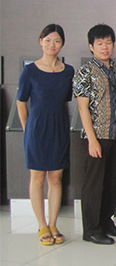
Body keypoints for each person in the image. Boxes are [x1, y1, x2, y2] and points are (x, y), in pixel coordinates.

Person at [17, 24, 75, 245]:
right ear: (40, 41)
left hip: (59, 126)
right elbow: (21, 103)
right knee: (38, 177)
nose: (52, 44)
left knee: (56, 177)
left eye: (57, 40)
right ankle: (41, 225)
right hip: (36, 129)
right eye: (48, 40)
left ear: (62, 44)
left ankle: (53, 223)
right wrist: (27, 129)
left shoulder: (68, 71)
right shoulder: (29, 71)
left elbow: (66, 100)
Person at [73, 24, 116, 245]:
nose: (105, 47)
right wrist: (92, 139)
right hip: (96, 136)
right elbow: (82, 108)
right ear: (91, 46)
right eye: (100, 43)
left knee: (111, 182)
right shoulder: (85, 72)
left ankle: (107, 222)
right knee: (94, 185)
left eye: (108, 42)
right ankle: (91, 229)